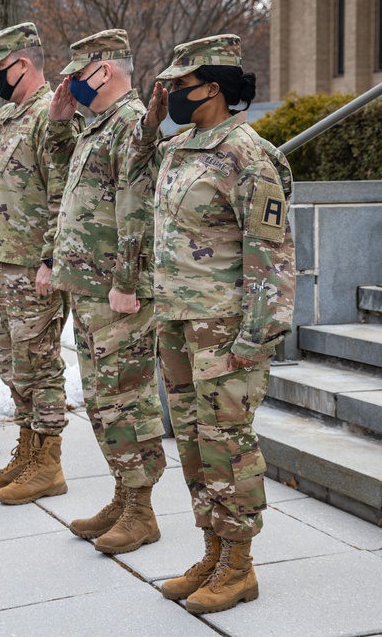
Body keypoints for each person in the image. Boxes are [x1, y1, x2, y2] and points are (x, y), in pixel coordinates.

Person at [127, 34, 295, 613]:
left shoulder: (248, 154)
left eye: (179, 85)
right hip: (176, 320)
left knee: (228, 444)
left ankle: (240, 566)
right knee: (196, 444)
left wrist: (256, 336)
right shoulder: (179, 147)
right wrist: (151, 122)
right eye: (168, 85)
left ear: (214, 88)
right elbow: (128, 175)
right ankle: (213, 550)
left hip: (224, 328)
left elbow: (271, 255)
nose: (170, 92)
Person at [0, 23, 83, 505]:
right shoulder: (5, 118)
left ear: (21, 65)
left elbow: (61, 196)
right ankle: (27, 450)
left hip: (32, 268)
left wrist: (50, 260)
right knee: (12, 364)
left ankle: (49, 461)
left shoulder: (51, 117)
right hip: (1, 264)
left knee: (39, 365)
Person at [46, 29, 166, 554]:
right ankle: (124, 494)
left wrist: (126, 282)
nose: (68, 85)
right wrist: (53, 259)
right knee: (100, 398)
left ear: (104, 71)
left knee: (126, 397)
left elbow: (137, 208)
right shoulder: (96, 127)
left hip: (118, 292)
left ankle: (142, 510)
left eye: (76, 74)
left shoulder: (134, 127)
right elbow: (72, 201)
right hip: (89, 287)